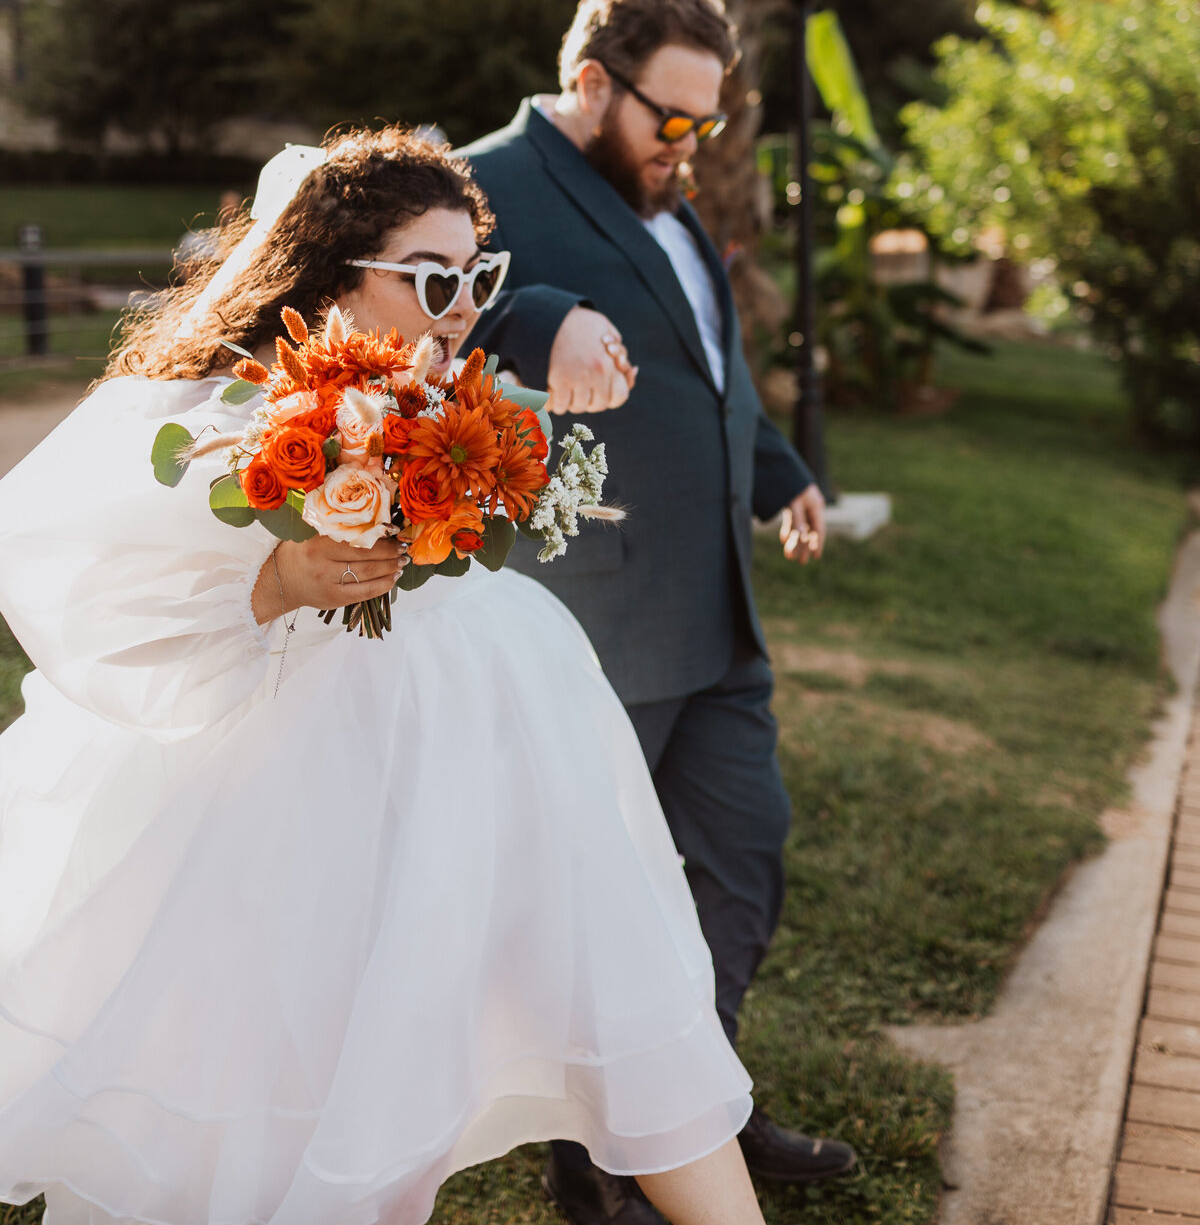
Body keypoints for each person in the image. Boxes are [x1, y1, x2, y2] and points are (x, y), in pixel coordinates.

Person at [0, 128, 770, 1225]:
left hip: (493, 714)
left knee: (623, 984)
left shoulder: (461, 406)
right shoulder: (236, 425)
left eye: (478, 276)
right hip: (296, 776)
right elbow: (86, 576)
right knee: (303, 1070)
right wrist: (277, 577)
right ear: (327, 279)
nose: (463, 306)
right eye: (433, 279)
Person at [460, 0, 857, 1224]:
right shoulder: (480, 180)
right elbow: (417, 318)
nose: (690, 146)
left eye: (708, 123)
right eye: (670, 120)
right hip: (597, 624)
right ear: (591, 83)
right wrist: (541, 315)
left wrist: (781, 470)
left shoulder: (671, 203)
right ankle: (602, 1158)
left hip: (720, 610)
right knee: (600, 908)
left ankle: (699, 1114)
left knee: (742, 866)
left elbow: (709, 367)